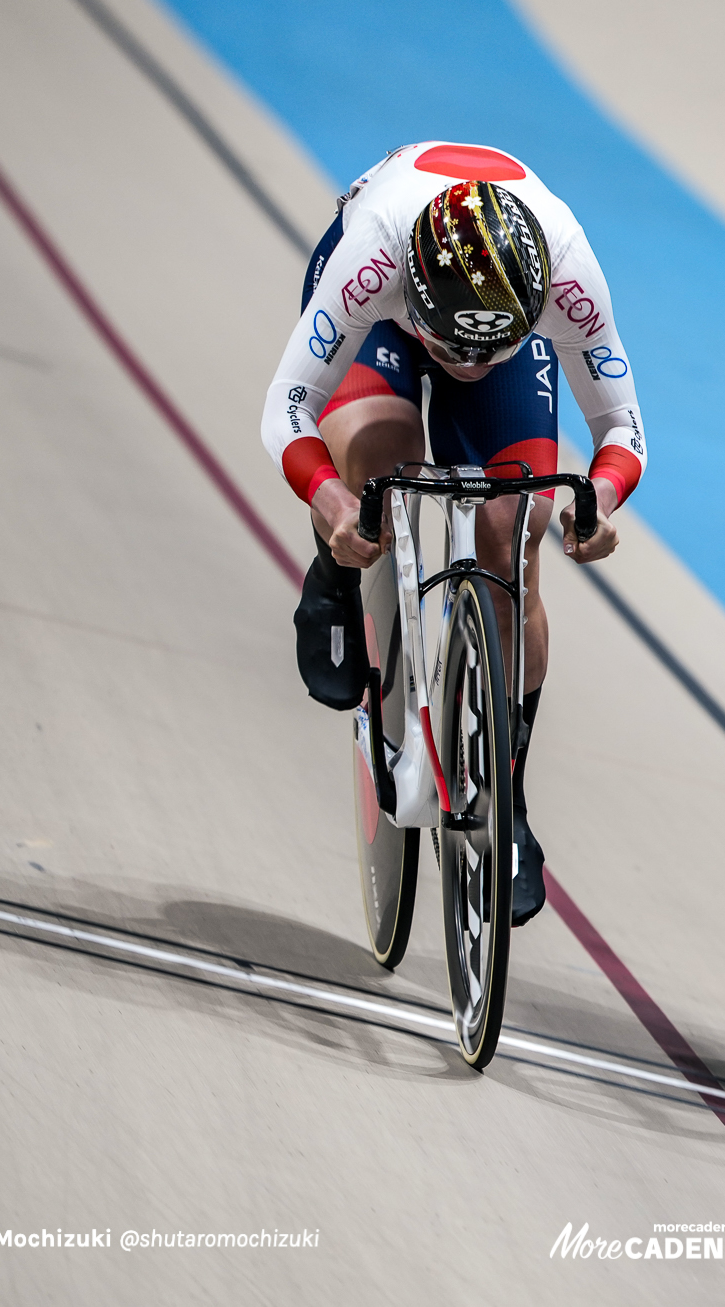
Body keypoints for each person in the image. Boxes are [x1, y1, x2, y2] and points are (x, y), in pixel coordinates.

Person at [261, 141, 649, 927]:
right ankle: (336, 572)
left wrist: (598, 502)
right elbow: (287, 406)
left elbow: (622, 427)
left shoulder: (566, 273)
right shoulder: (373, 258)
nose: (466, 366)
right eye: (453, 352)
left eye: (486, 353)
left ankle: (509, 793)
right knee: (380, 463)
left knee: (516, 526)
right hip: (386, 322)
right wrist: (330, 499)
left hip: (490, 306)